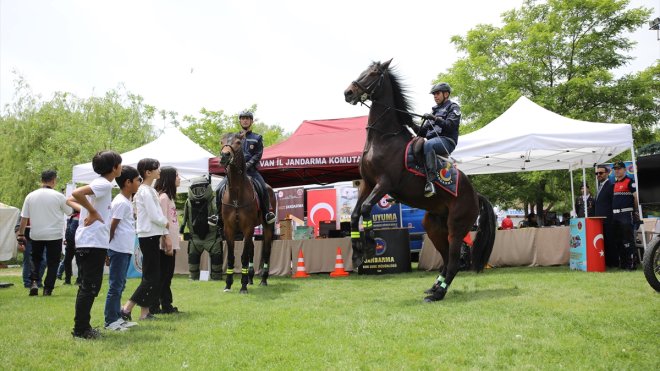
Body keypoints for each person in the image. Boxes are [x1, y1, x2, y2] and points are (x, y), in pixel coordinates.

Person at [69, 151, 123, 339]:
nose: (121, 168)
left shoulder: (101, 184)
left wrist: (90, 210)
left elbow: (74, 197)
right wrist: (92, 211)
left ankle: (82, 327)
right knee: (90, 286)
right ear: (114, 168)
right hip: (91, 242)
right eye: (120, 164)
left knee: (87, 286)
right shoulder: (103, 184)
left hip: (90, 241)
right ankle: (81, 329)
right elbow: (75, 193)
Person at [121, 158, 169, 321]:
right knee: (151, 277)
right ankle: (127, 308)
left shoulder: (150, 190)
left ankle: (144, 313)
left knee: (149, 276)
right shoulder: (144, 191)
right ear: (148, 172)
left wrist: (163, 228)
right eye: (157, 168)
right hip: (147, 235)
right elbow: (154, 214)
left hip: (151, 234)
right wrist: (166, 223)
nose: (159, 171)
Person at [213, 110, 276, 229]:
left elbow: (258, 154)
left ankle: (267, 213)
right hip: (235, 173)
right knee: (218, 190)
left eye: (248, 118)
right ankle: (217, 216)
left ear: (251, 121)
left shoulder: (257, 137)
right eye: (243, 118)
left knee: (263, 188)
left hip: (251, 171)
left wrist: (247, 165)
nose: (245, 120)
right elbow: (227, 150)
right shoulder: (233, 138)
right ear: (240, 121)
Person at [16, 170, 74, 296]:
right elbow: (70, 212)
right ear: (54, 180)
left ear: (41, 180)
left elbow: (24, 218)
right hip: (54, 235)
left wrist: (20, 236)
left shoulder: (30, 196)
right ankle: (48, 288)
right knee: (53, 262)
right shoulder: (59, 196)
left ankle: (34, 283)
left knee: (35, 259)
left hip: (36, 234)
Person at [104, 165, 141, 331]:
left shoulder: (126, 202)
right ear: (128, 182)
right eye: (137, 180)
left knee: (120, 284)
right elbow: (111, 227)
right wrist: (106, 250)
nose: (139, 183)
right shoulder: (121, 203)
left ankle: (118, 317)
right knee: (115, 285)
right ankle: (111, 320)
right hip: (117, 249)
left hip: (124, 249)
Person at [418, 82, 461, 197]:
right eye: (434, 94)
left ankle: (431, 181)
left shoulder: (453, 107)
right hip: (434, 140)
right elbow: (422, 132)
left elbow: (450, 125)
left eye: (437, 93)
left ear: (446, 94)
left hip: (447, 141)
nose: (435, 96)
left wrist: (433, 118)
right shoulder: (435, 111)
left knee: (428, 145)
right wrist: (408, 123)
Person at [151, 166, 180, 314]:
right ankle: (157, 306)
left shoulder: (169, 197)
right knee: (163, 275)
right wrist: (166, 241)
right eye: (176, 176)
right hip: (165, 244)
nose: (179, 178)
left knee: (167, 276)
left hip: (172, 242)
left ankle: (166, 304)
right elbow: (161, 221)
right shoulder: (163, 198)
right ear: (169, 178)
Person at [610, 161, 638, 270]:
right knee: (618, 240)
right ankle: (623, 263)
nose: (617, 170)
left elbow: (636, 198)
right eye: (615, 169)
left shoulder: (630, 182)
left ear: (624, 170)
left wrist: (635, 211)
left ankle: (631, 264)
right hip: (615, 215)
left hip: (626, 214)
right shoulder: (614, 184)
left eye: (619, 168)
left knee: (628, 240)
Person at [594, 164, 616, 268]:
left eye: (601, 173)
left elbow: (613, 203)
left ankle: (612, 263)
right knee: (604, 241)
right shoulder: (599, 186)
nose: (598, 175)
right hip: (599, 220)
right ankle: (606, 262)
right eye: (597, 173)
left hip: (608, 219)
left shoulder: (611, 184)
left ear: (607, 173)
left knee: (610, 241)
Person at [14, 217, 45, 289]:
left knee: (43, 261)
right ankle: (28, 283)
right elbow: (17, 228)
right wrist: (20, 242)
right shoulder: (25, 211)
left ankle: (37, 281)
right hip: (28, 240)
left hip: (41, 239)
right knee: (28, 261)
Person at [57, 210, 81, 285]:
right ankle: (68, 280)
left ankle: (79, 280)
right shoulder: (72, 216)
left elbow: (74, 231)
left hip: (76, 244)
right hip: (70, 243)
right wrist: (66, 239)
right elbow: (69, 229)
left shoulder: (79, 217)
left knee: (78, 262)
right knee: (67, 261)